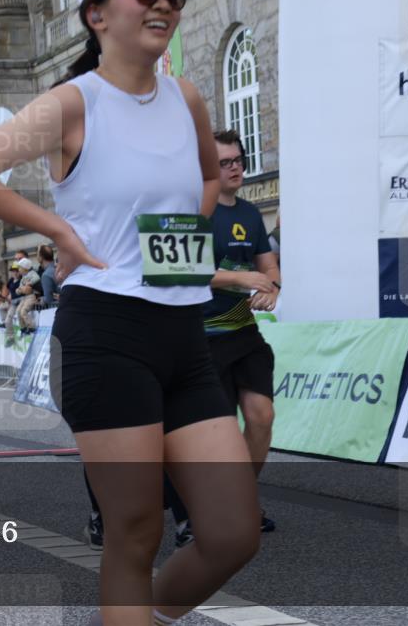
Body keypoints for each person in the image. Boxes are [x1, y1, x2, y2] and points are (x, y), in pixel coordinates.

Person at [0, 0, 259, 623]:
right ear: (97, 13)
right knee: (136, 532)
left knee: (233, 532)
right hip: (105, 334)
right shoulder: (72, 102)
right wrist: (56, 225)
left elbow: (207, 178)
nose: (164, 5)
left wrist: (182, 242)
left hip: (184, 335)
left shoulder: (187, 98)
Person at [169, 130, 281, 545]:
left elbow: (270, 268)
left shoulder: (252, 213)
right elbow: (181, 269)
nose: (236, 168)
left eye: (239, 160)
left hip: (244, 333)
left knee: (260, 417)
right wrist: (239, 277)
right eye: (226, 162)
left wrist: (270, 288)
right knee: (210, 433)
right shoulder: (193, 209)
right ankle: (201, 507)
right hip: (198, 337)